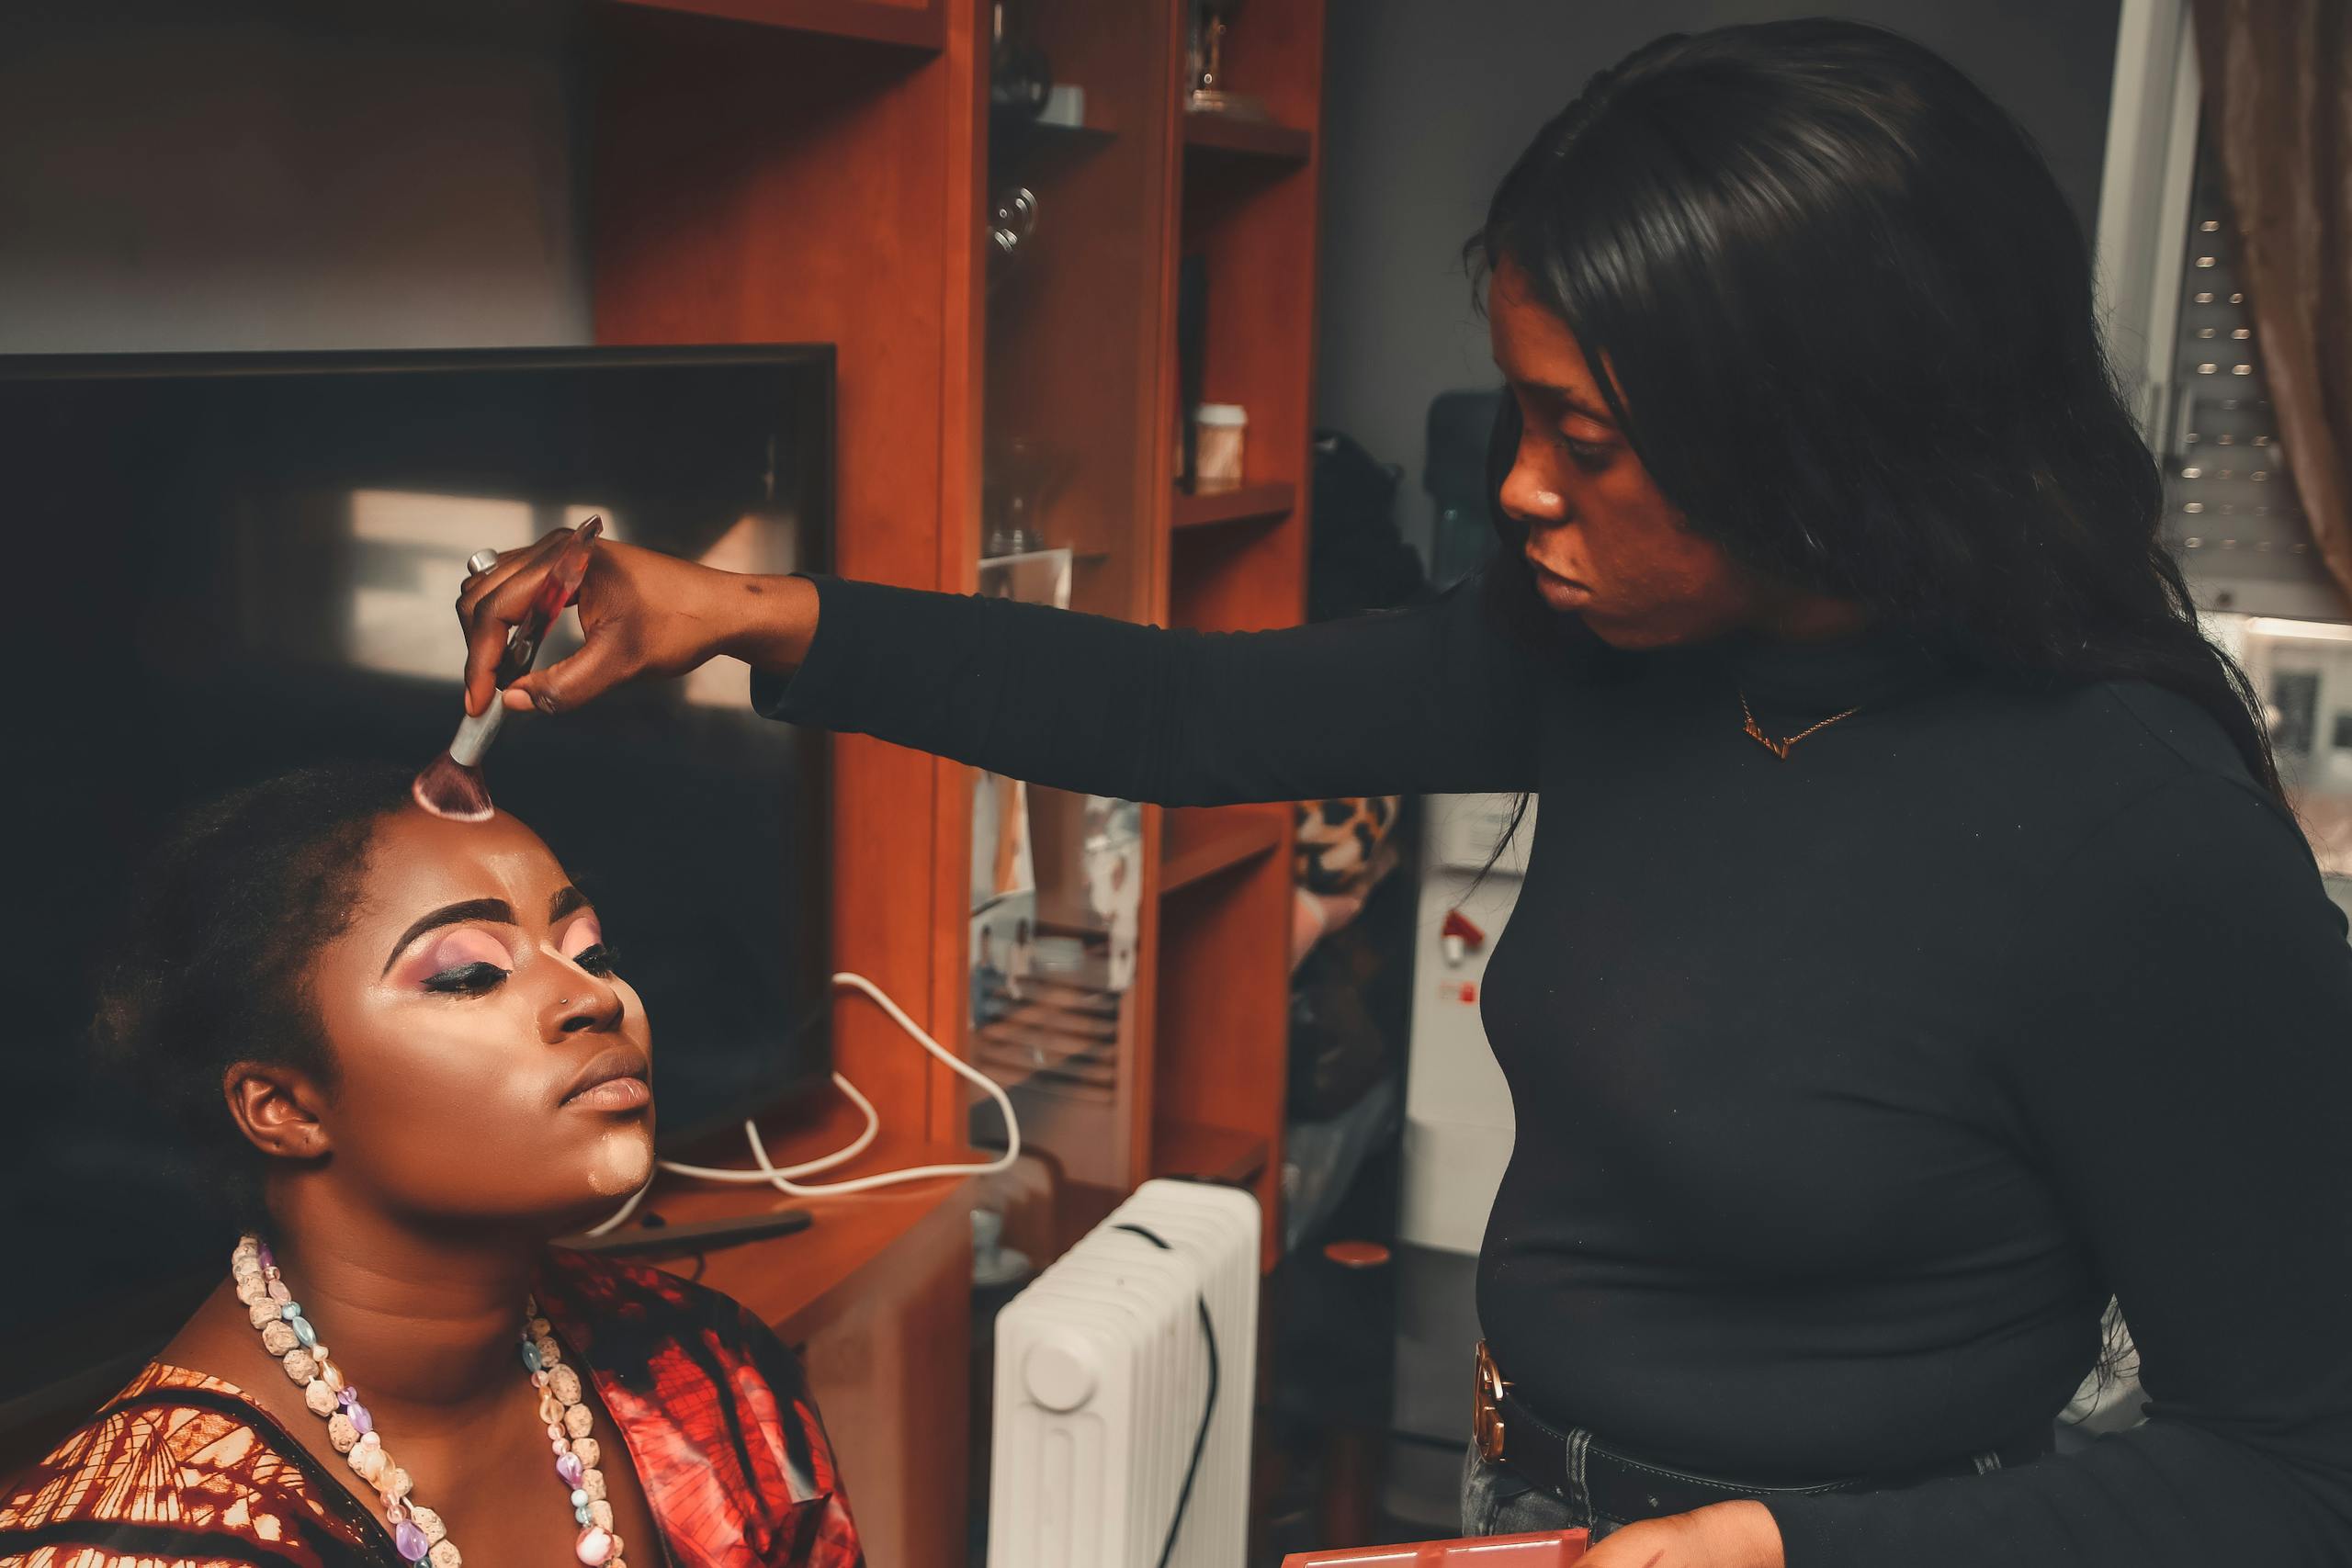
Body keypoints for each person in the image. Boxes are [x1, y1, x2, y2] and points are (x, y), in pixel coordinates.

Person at [447, 18, 2352, 1568]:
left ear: (1819, 449)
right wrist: (738, 611)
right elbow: (1185, 714)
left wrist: (1772, 1553)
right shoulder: (1621, 649)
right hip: (1532, 1504)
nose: (1515, 487)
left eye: (1583, 439)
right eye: (1519, 411)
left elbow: (2296, 1471)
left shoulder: (2134, 835)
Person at [0, 767, 861, 1568]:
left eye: (590, 952)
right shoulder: (134, 1542)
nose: (597, 997)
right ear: (285, 1106)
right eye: (471, 974)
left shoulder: (715, 1369)